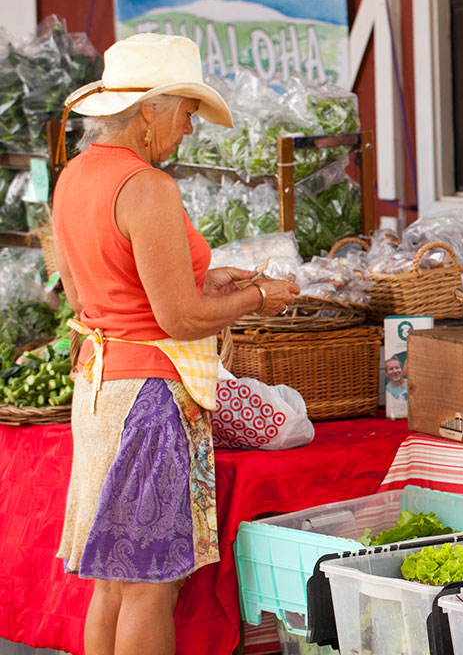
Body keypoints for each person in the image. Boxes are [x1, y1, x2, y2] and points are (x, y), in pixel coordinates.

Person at [50, 33, 300, 655]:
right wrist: (261, 298)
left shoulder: (74, 177)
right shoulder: (147, 186)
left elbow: (92, 298)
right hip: (150, 401)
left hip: (102, 389)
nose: (189, 127)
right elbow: (183, 318)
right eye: (186, 111)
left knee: (112, 582)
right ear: (149, 110)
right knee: (149, 588)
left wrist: (206, 280)